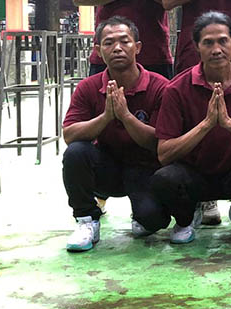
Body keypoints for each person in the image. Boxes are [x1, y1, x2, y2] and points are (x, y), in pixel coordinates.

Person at [150, 11, 231, 244]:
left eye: (223, 41)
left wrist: (229, 123)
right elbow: (164, 153)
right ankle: (186, 218)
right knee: (164, 179)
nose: (216, 49)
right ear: (196, 47)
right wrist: (207, 124)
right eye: (208, 43)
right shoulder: (177, 88)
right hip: (193, 172)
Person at [62, 16, 170, 251]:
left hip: (145, 168)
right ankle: (87, 220)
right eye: (109, 43)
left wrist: (126, 117)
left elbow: (161, 142)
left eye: (125, 41)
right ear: (98, 51)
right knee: (76, 152)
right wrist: (106, 117)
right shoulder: (88, 87)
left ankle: (141, 214)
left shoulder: (160, 86)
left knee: (153, 221)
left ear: (137, 47)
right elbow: (69, 134)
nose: (118, 48)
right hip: (106, 168)